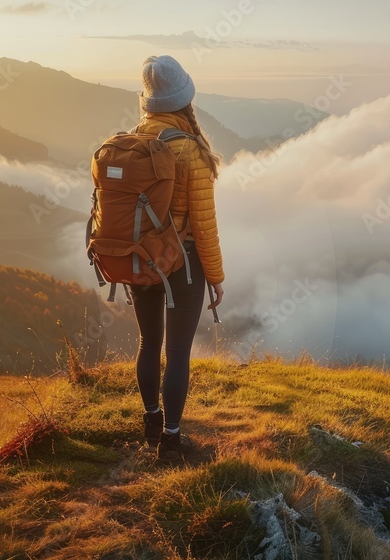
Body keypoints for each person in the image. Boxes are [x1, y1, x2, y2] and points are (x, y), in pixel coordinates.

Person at [130, 55, 225, 463]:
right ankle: (170, 441)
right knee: (178, 352)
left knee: (148, 342)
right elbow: (203, 226)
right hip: (182, 263)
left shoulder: (131, 141)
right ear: (185, 99)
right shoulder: (191, 152)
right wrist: (217, 276)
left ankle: (151, 420)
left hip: (139, 258)